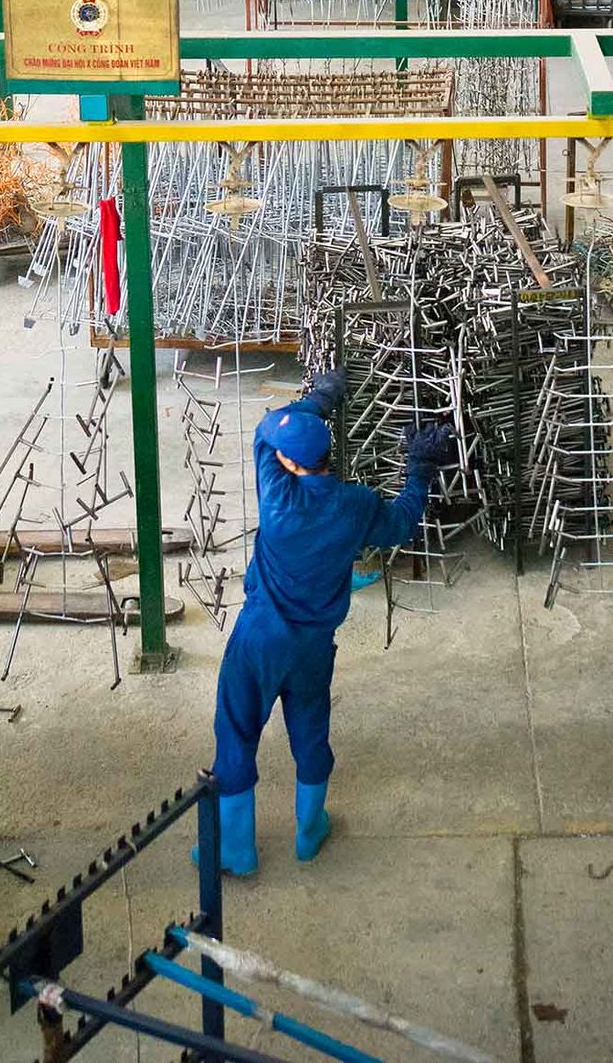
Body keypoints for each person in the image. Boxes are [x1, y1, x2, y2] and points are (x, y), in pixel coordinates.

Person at [204, 370, 452, 875]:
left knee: (235, 732)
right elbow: (402, 521)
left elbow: (266, 430)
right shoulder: (354, 506)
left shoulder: (276, 495)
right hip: (313, 646)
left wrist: (318, 399)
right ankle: (308, 830)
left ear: (290, 462)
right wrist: (419, 468)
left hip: (259, 639)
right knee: (311, 732)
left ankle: (235, 849)